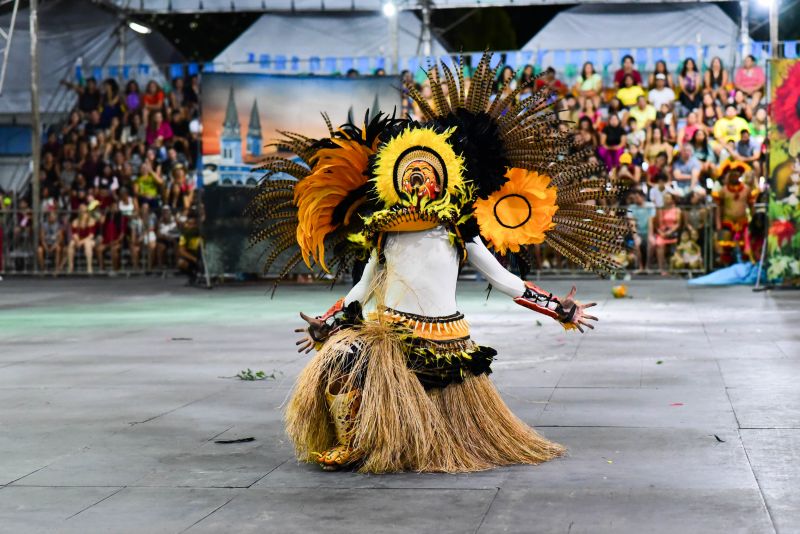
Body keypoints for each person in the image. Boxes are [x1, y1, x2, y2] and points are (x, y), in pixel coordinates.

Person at [252, 52, 627, 473]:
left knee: (409, 396)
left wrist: (557, 307)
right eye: (410, 176)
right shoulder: (385, 232)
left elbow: (504, 279)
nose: (417, 185)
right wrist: (328, 322)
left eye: (425, 176)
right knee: (337, 362)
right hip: (389, 336)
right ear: (393, 180)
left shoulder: (459, 229)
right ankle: (354, 442)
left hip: (443, 341)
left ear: (444, 180)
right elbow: (361, 289)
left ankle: (401, 438)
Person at [712, 161, 756, 265]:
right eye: (732, 174)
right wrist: (718, 224)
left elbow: (751, 206)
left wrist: (753, 221)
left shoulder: (746, 189)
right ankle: (727, 268)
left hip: (743, 221)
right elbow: (719, 208)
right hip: (727, 221)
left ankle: (745, 265)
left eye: (737, 174)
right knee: (725, 247)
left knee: (744, 246)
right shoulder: (723, 190)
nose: (735, 176)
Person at [652, 191, 682, 275]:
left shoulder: (677, 210)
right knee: (659, 243)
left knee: (675, 246)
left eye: (668, 198)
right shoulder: (660, 210)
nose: (666, 200)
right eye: (664, 198)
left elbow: (678, 224)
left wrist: (669, 232)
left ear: (672, 200)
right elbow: (656, 224)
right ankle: (661, 268)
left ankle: (674, 268)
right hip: (662, 233)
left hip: (672, 233)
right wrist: (661, 232)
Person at [67, 203, 97, 274]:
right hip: (79, 240)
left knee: (87, 244)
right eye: (81, 210)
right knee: (71, 243)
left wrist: (81, 242)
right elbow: (74, 234)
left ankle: (89, 267)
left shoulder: (91, 220)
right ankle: (70, 266)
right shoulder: (75, 221)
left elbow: (91, 235)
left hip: (89, 240)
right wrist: (77, 241)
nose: (83, 213)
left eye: (84, 211)